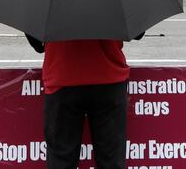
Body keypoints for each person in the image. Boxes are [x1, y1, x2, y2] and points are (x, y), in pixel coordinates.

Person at [26, 33, 143, 169]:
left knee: (61, 160)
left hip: (62, 76)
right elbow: (138, 33)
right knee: (112, 161)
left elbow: (36, 41)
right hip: (108, 76)